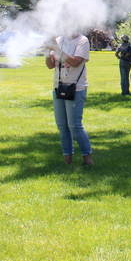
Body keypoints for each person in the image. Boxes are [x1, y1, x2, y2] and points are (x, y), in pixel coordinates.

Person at [46, 33, 93, 165]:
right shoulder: (59, 40)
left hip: (76, 88)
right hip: (58, 86)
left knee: (74, 126)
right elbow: (50, 65)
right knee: (62, 125)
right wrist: (47, 51)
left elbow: (75, 62)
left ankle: (87, 157)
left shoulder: (82, 41)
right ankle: (67, 159)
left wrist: (56, 48)